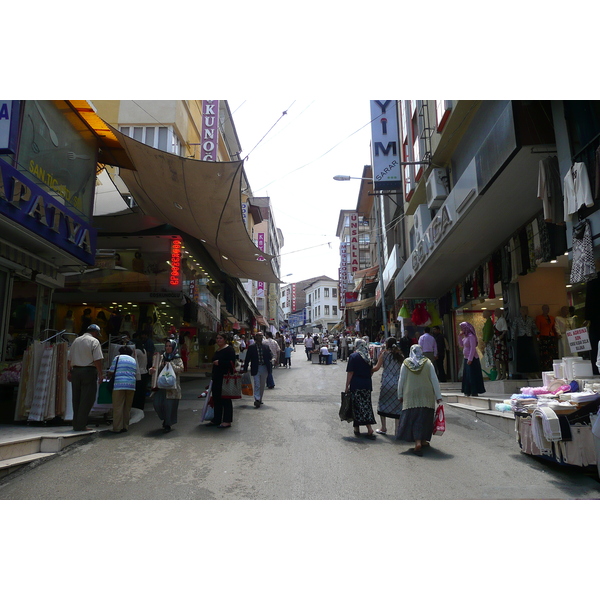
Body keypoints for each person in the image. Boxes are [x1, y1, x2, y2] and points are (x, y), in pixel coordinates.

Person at [395, 345, 442, 456]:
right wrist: (438, 396)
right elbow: (434, 379)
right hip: (426, 394)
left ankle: (418, 442)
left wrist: (400, 394)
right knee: (424, 417)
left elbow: (401, 380)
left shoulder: (406, 363)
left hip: (410, 395)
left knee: (413, 418)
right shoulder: (428, 363)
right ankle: (422, 440)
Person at [67, 324, 104, 431]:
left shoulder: (76, 341)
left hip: (76, 371)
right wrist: (101, 373)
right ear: (95, 333)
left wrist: (69, 371)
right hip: (88, 371)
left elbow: (70, 358)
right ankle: (81, 425)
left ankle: (76, 424)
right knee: (87, 399)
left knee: (76, 398)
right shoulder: (94, 342)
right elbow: (97, 359)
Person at [149, 339, 184, 432]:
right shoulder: (160, 357)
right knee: (157, 404)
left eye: (170, 346)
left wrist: (170, 364)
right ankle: (164, 418)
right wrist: (151, 370)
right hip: (160, 386)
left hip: (172, 388)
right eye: (166, 346)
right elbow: (154, 368)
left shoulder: (177, 358)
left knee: (169, 407)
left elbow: (180, 369)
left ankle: (168, 423)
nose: (168, 348)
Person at [345, 338, 377, 439]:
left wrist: (347, 385)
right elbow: (371, 371)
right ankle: (357, 428)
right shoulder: (368, 357)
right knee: (366, 405)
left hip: (356, 385)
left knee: (358, 406)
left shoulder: (353, 356)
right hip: (367, 385)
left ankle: (368, 428)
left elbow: (350, 372)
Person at [372, 337, 404, 435]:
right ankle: (397, 430)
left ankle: (383, 427)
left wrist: (367, 370)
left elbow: (377, 368)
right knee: (398, 407)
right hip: (398, 384)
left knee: (383, 404)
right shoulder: (400, 355)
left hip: (386, 383)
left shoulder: (384, 354)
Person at [206, 332, 237, 428]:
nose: (218, 340)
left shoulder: (229, 349)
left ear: (225, 339)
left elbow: (232, 363)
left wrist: (220, 362)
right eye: (217, 338)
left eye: (220, 338)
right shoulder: (218, 350)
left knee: (226, 399)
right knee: (216, 398)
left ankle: (227, 420)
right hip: (216, 377)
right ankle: (217, 419)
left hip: (225, 378)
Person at [107, 346, 138, 433]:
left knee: (118, 407)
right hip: (131, 385)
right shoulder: (133, 360)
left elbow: (111, 371)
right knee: (127, 407)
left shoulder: (117, 358)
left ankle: (117, 428)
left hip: (119, 385)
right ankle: (125, 426)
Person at [242, 332, 273, 408]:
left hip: (264, 367)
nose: (260, 337)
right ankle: (257, 399)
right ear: (256, 337)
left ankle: (260, 398)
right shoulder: (251, 347)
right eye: (259, 336)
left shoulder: (266, 347)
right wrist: (245, 368)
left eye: (261, 336)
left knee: (262, 385)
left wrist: (272, 359)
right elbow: (247, 358)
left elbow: (270, 355)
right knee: (257, 384)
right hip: (256, 367)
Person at [511, 306, 540, 377]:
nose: (525, 311)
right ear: (520, 311)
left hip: (529, 337)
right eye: (523, 310)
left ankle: (532, 371)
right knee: (522, 355)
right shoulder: (517, 319)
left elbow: (534, 327)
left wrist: (537, 332)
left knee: (531, 354)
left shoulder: (530, 319)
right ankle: (525, 372)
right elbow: (514, 328)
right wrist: (512, 337)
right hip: (521, 338)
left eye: (526, 310)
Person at [458, 322, 486, 397]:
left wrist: (470, 359)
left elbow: (473, 348)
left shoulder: (471, 336)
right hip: (466, 358)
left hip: (472, 359)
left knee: (472, 376)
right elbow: (461, 345)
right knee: (467, 376)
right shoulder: (466, 337)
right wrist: (460, 336)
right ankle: (467, 390)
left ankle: (474, 391)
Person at [535, 304, 558, 372]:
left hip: (551, 336)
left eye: (547, 309)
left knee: (552, 353)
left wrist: (556, 335)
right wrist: (538, 337)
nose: (546, 310)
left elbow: (554, 327)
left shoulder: (551, 318)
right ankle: (545, 368)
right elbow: (537, 328)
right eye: (545, 309)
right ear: (542, 310)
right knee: (545, 353)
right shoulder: (539, 317)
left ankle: (552, 367)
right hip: (543, 336)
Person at [132, 337, 149, 410]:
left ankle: (136, 406)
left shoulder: (136, 351)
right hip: (145, 372)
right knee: (142, 391)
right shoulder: (144, 350)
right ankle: (141, 406)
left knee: (137, 391)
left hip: (139, 373)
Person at [493, 308, 509, 379]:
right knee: (497, 357)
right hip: (497, 340)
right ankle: (499, 373)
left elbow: (505, 330)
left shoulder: (502, 320)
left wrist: (500, 337)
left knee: (501, 358)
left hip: (500, 340)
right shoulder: (497, 320)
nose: (495, 312)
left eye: (496, 311)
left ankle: (502, 373)